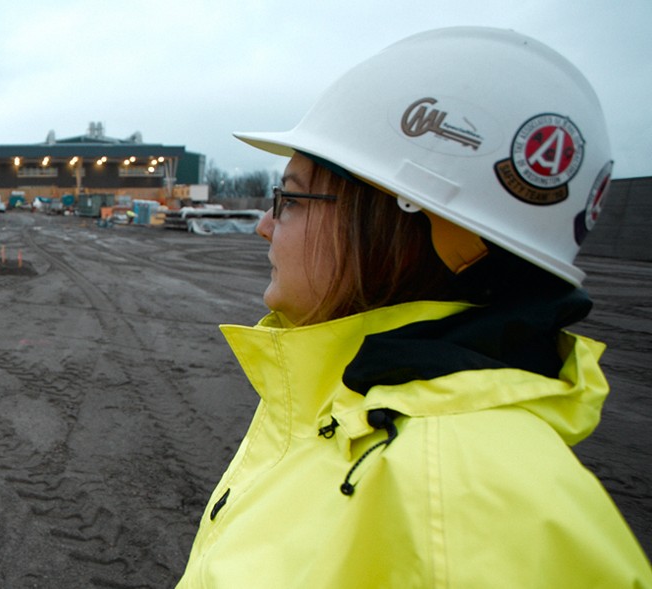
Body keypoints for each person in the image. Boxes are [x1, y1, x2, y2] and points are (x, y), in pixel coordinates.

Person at [177, 27, 652, 587]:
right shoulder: (347, 400)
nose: (263, 226)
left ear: (406, 224)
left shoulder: (468, 500)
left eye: (290, 200)